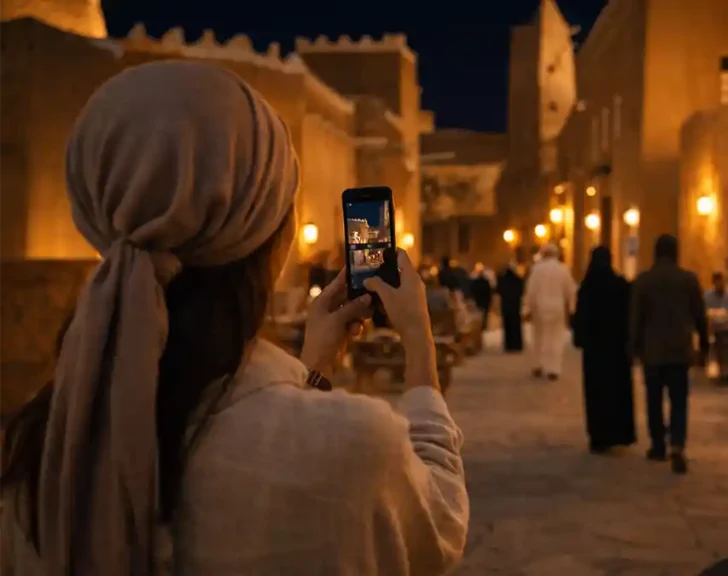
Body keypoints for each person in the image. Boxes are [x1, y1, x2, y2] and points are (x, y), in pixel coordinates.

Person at [0, 62, 468, 575]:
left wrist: (311, 371)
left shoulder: (36, 457)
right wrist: (420, 348)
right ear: (272, 238)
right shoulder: (353, 449)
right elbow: (438, 523)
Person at [631, 234, 709, 474]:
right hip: (679, 350)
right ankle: (677, 444)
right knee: (679, 401)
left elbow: (635, 318)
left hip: (652, 352)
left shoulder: (644, 281)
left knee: (653, 400)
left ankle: (657, 445)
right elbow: (700, 316)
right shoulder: (688, 280)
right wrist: (704, 345)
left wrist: (632, 348)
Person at [573, 246, 636, 453]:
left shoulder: (587, 287)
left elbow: (580, 318)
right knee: (616, 391)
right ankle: (617, 433)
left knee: (596, 393)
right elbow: (629, 316)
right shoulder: (620, 286)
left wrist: (580, 340)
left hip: (595, 351)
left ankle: (599, 436)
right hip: (616, 349)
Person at [523, 244, 576, 380]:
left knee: (539, 337)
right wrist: (572, 307)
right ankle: (554, 368)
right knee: (556, 337)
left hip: (539, 307)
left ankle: (539, 365)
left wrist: (527, 308)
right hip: (557, 307)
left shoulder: (537, 269)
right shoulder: (562, 269)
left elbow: (531, 290)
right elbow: (570, 290)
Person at [496, 258, 525, 352]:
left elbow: (499, 291)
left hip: (506, 305)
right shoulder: (518, 279)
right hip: (515, 305)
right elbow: (521, 291)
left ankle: (508, 345)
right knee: (516, 326)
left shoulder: (502, 279)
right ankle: (516, 345)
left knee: (507, 325)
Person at [469, 263, 494, 331]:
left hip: (479, 300)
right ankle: (484, 325)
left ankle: (482, 325)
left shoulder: (475, 282)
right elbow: (489, 291)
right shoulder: (485, 282)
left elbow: (472, 291)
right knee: (484, 314)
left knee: (480, 313)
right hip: (485, 300)